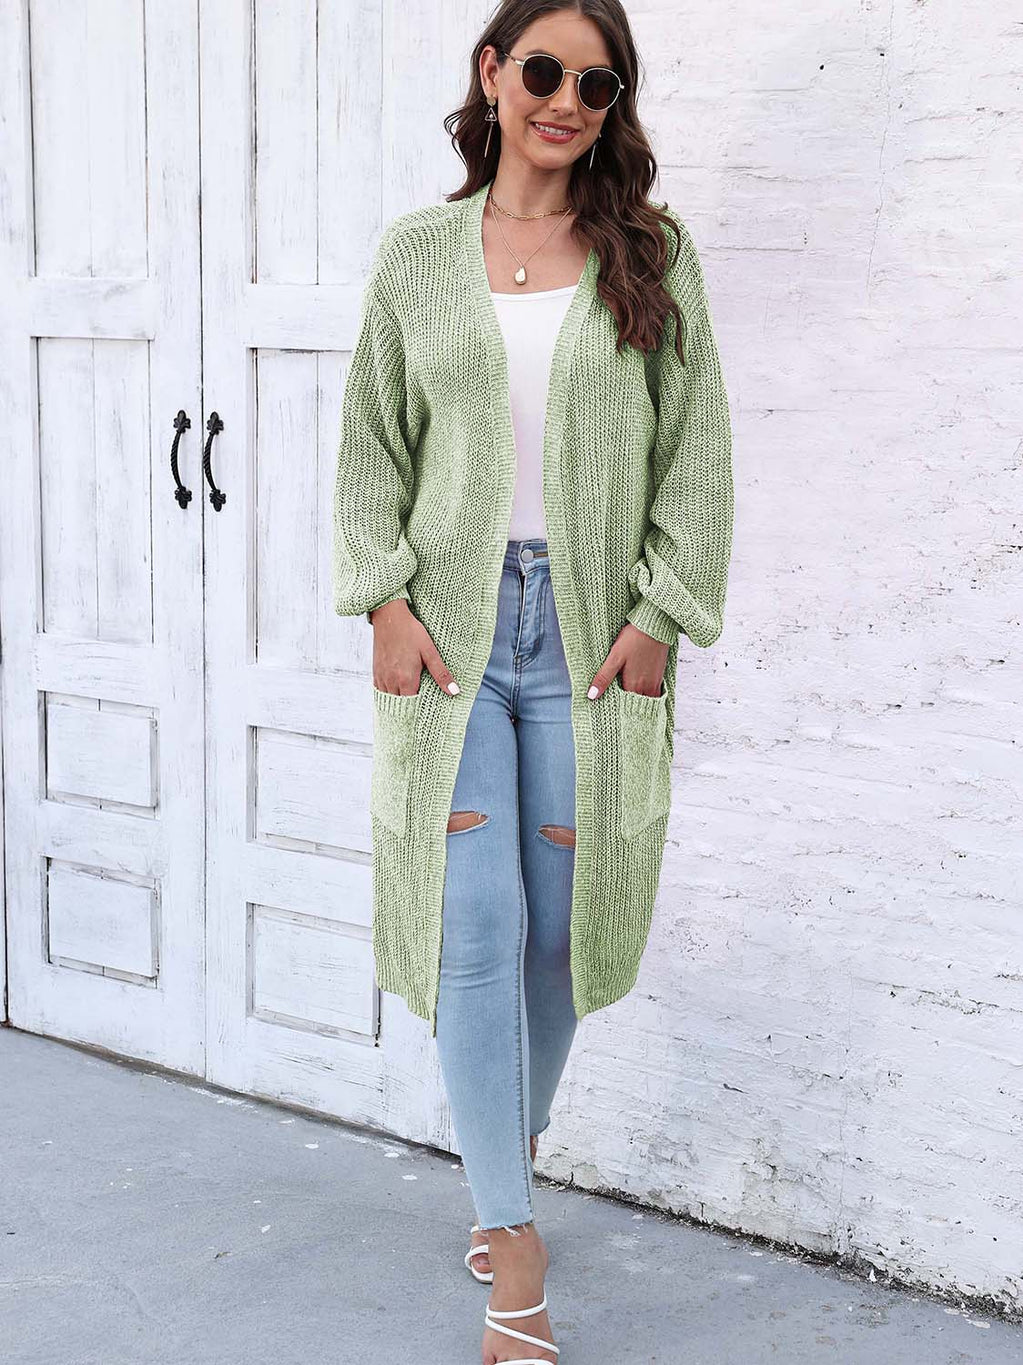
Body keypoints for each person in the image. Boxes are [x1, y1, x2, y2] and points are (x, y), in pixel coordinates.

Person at [333, 3, 734, 1359]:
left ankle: (510, 1144)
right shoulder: (418, 255)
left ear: (614, 106)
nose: (566, 100)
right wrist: (383, 597)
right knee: (477, 927)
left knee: (565, 932)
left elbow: (696, 450)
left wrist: (662, 614)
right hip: (450, 640)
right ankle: (514, 1248)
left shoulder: (652, 255)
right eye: (546, 71)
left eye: (596, 84)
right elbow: (370, 446)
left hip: (588, 642)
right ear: (494, 74)